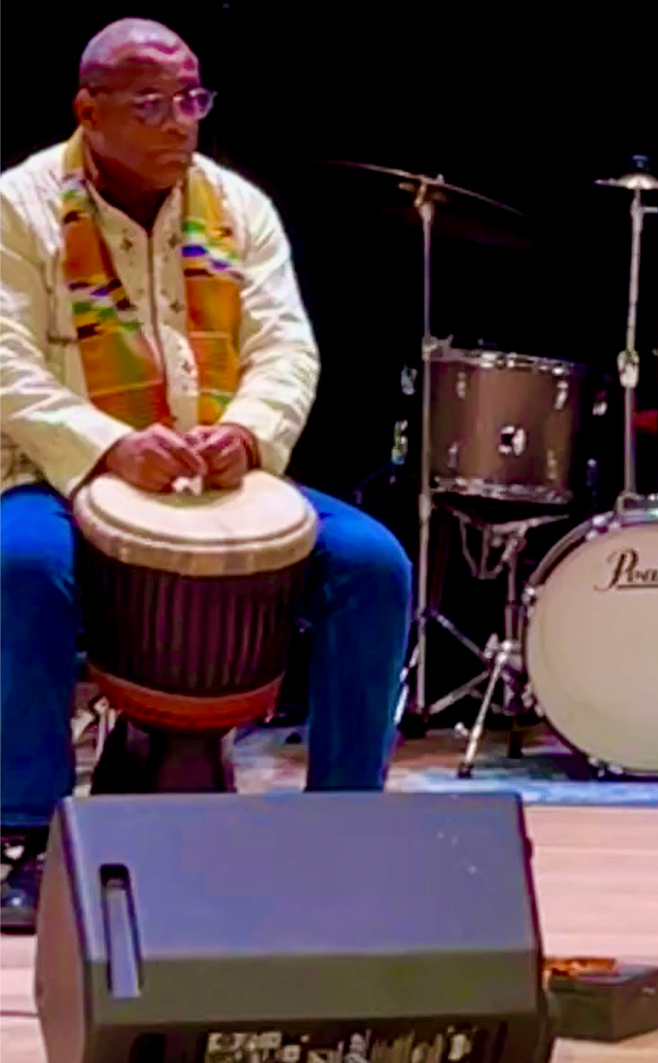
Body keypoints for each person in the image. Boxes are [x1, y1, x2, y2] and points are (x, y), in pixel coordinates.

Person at [0, 19, 413, 932]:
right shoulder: (21, 205)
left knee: (374, 567)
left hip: (216, 474)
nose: (177, 121)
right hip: (58, 476)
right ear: (88, 110)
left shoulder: (237, 208)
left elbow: (286, 350)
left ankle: (345, 829)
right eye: (149, 102)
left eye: (191, 98)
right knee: (19, 569)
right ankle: (24, 833)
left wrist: (245, 434)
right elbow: (6, 365)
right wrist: (109, 448)